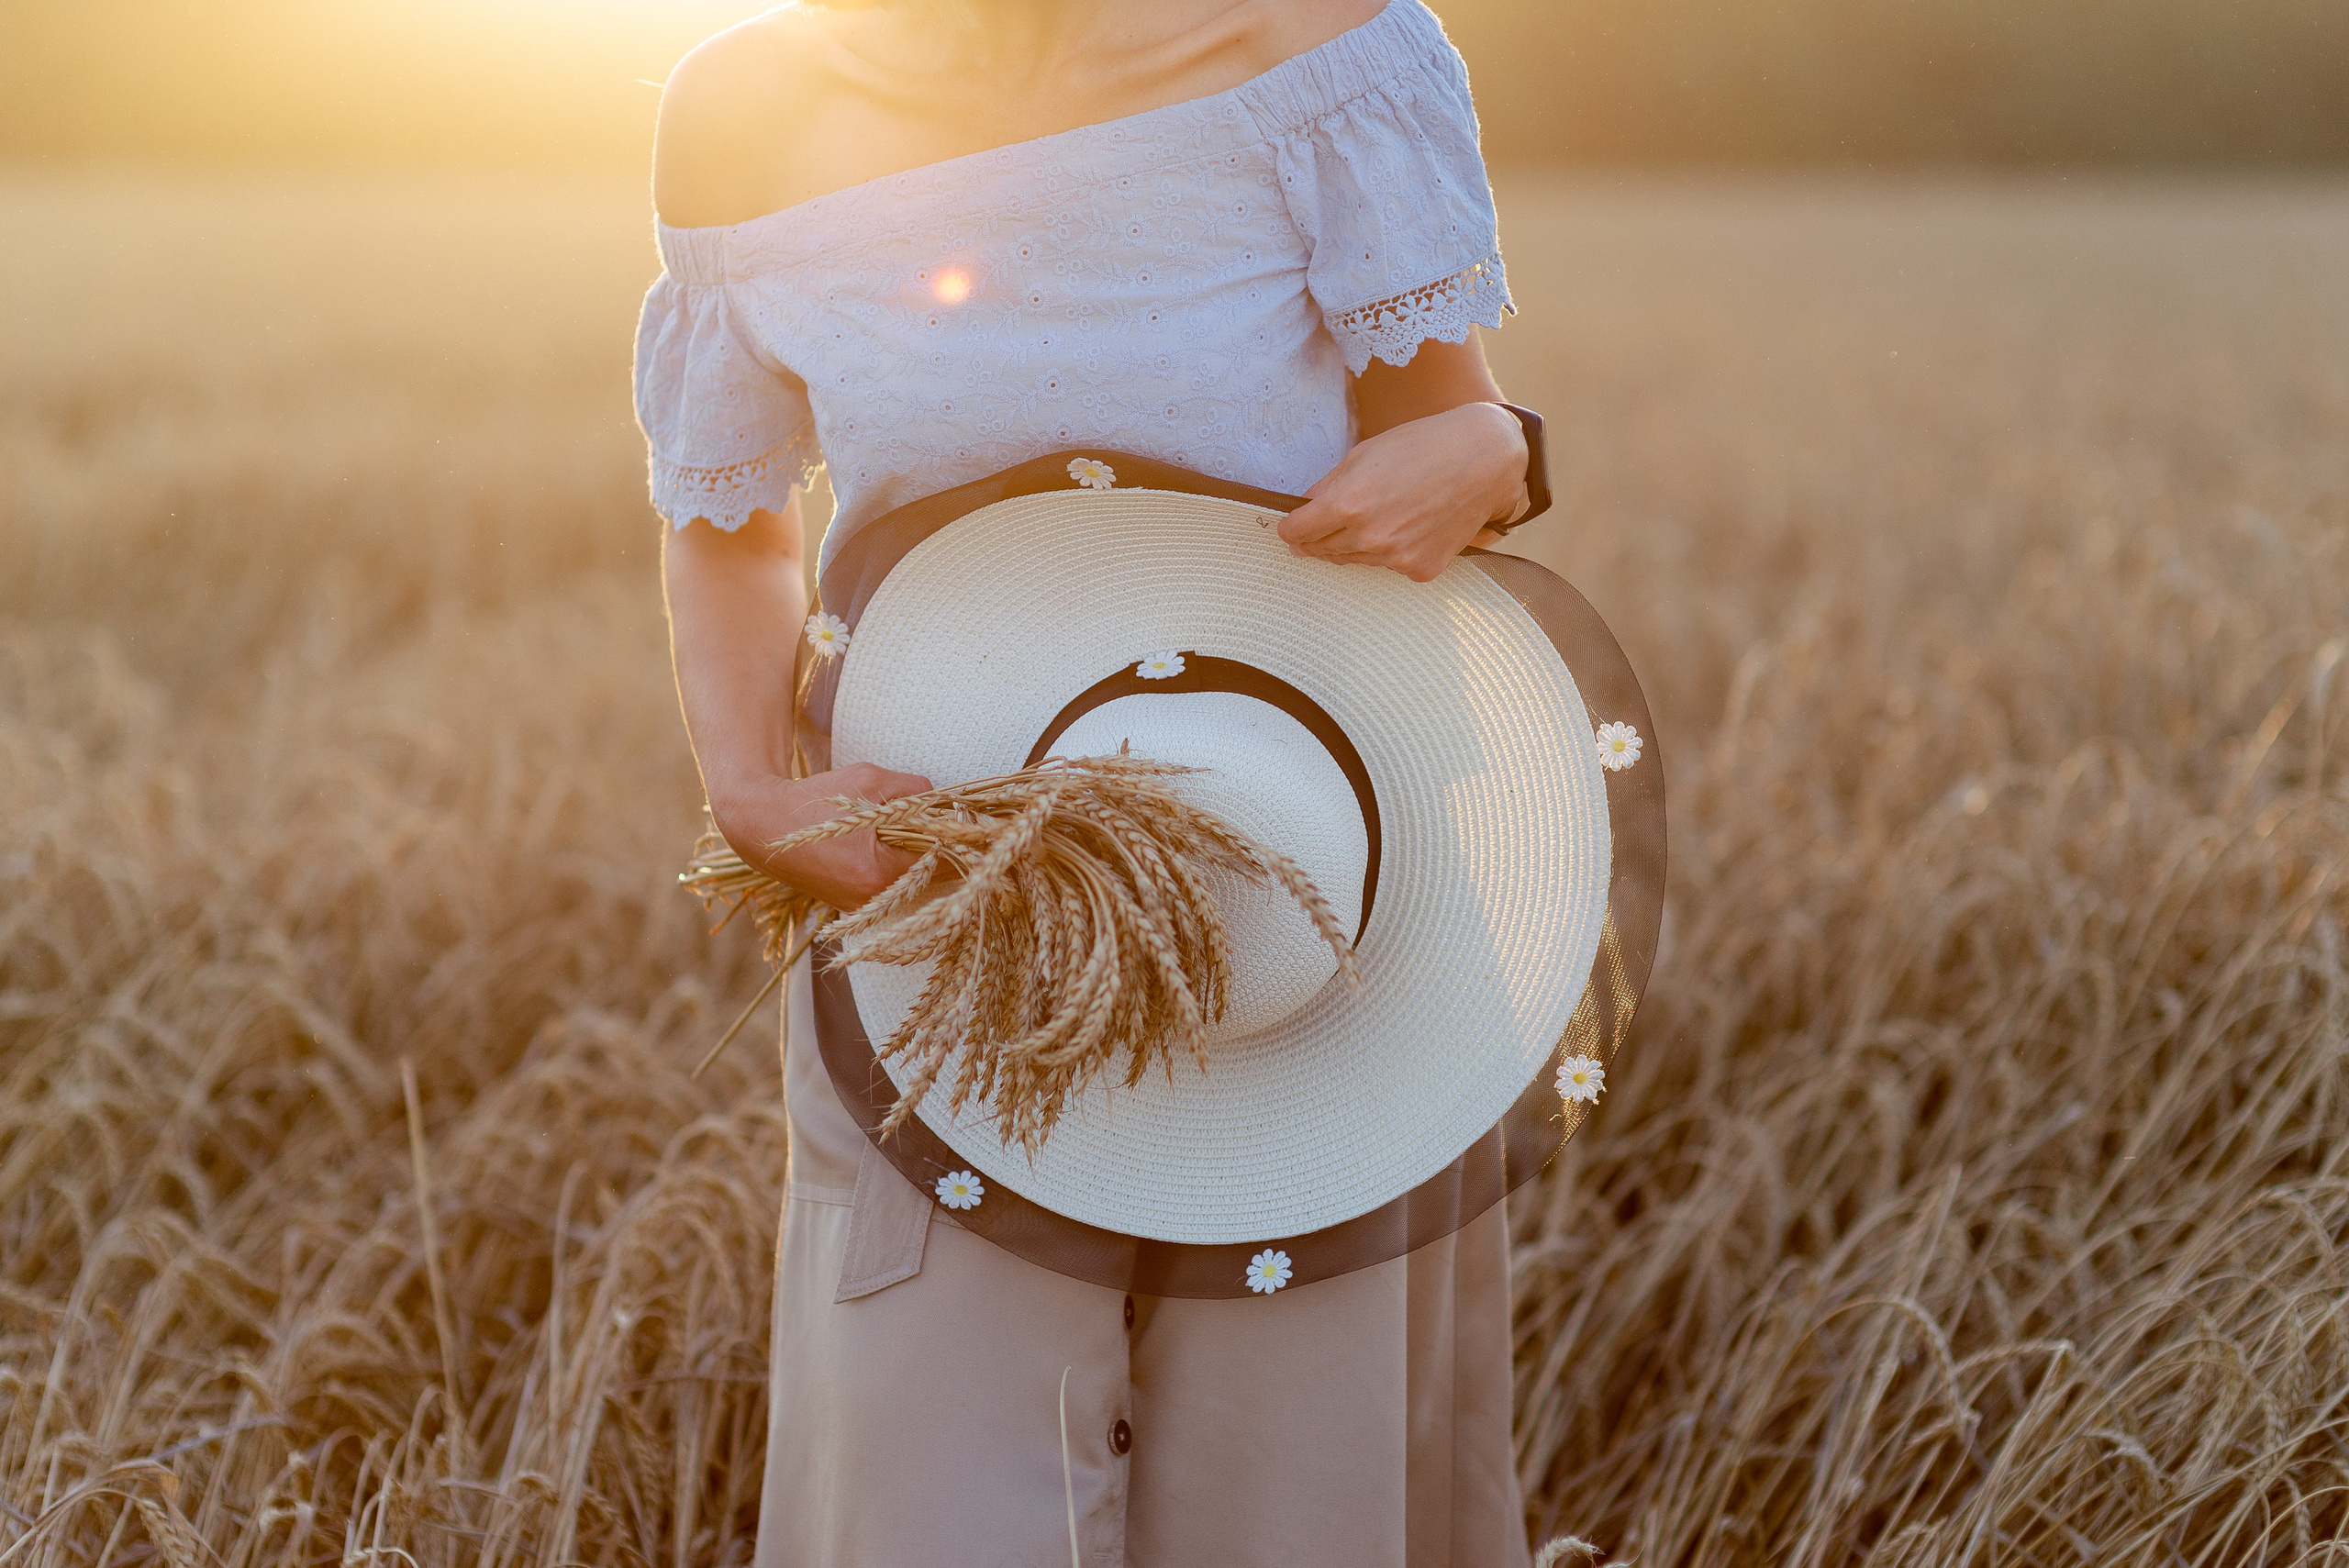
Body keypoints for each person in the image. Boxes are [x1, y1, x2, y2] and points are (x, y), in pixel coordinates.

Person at [636, 2, 1541, 1561]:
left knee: (1294, 1497)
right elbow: (730, 522)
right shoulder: (745, 104)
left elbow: (1449, 423)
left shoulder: (1327, 43)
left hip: (1311, 877)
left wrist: (1500, 453)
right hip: (941, 881)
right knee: (935, 1489)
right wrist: (747, 785)